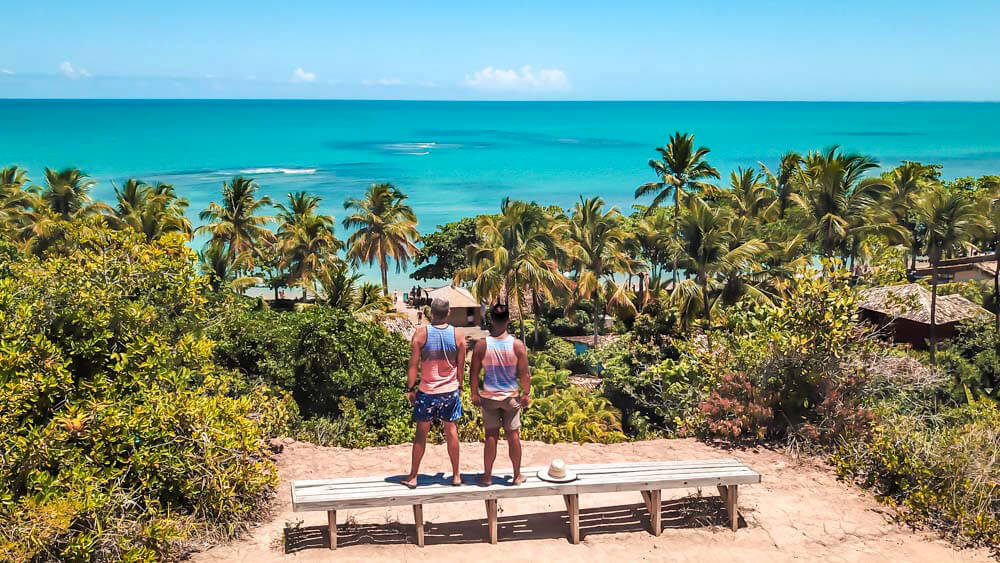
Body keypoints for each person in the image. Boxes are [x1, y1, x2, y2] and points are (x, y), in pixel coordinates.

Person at [403, 297, 466, 488]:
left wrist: (410, 388)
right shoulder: (458, 335)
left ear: (430, 312)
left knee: (421, 433)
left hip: (427, 391)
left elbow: (413, 365)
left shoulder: (421, 334)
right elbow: (461, 366)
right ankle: (456, 475)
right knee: (451, 431)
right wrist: (460, 386)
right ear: (448, 312)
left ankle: (413, 477)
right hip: (449, 391)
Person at [470, 303, 531, 486]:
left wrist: (474, 393)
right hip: (510, 398)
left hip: (489, 398)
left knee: (491, 436)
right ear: (508, 320)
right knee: (513, 436)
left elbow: (473, 372)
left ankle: (487, 476)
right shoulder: (517, 345)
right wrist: (526, 393)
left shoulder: (482, 345)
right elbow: (524, 374)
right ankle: (517, 475)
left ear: (491, 320)